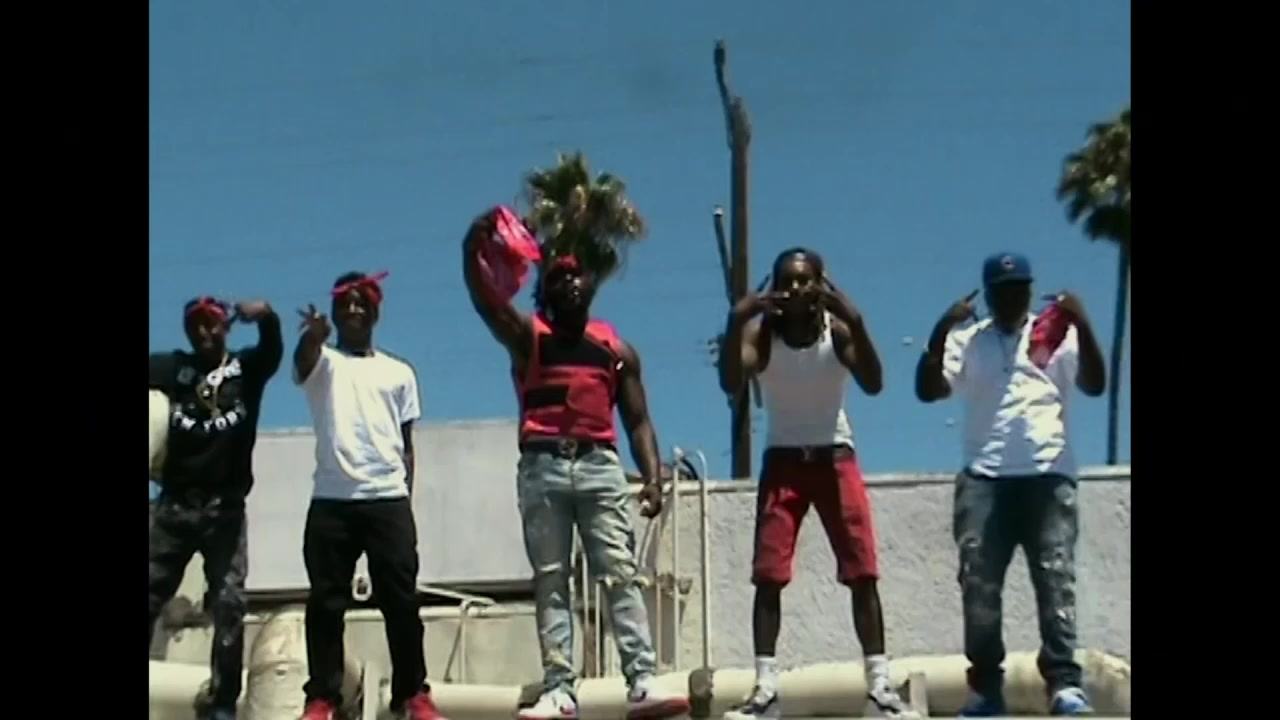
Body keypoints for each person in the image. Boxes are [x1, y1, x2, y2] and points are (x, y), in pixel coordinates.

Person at [462, 209, 691, 720]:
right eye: (557, 275)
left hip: (599, 466)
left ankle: (642, 680)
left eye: (576, 274)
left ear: (591, 285)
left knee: (620, 572)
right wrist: (471, 247)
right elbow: (486, 301)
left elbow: (638, 421)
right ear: (543, 289)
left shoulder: (615, 350)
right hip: (542, 465)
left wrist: (653, 478)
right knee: (552, 579)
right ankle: (559, 689)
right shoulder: (528, 336)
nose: (568, 281)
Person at [717, 248, 911, 720]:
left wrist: (857, 321)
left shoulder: (837, 332)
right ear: (774, 289)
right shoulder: (764, 336)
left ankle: (880, 688)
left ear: (822, 286)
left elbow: (874, 383)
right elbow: (731, 381)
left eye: (805, 280)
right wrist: (736, 320)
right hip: (783, 462)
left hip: (834, 456)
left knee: (862, 571)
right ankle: (765, 691)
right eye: (787, 280)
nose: (796, 288)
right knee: (769, 576)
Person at [913, 252, 1105, 717]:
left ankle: (1064, 684)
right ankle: (985, 690)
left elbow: (1096, 384)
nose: (1010, 298)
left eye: (1018, 289)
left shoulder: (1056, 333)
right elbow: (928, 390)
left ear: (1030, 290)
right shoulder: (968, 340)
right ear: (988, 294)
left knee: (1056, 581)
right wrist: (941, 329)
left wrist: (1083, 321)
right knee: (979, 588)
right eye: (1001, 291)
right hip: (984, 479)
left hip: (1048, 475)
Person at [293, 272, 444, 720]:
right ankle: (322, 697)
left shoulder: (399, 372)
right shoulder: (323, 363)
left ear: (376, 312)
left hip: (387, 499)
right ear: (335, 314)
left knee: (402, 601)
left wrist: (404, 500)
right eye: (345, 304)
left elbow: (406, 444)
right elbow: (303, 360)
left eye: (362, 303)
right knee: (326, 603)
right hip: (331, 500)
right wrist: (313, 337)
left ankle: (411, 694)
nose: (354, 310)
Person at [148, 297, 283, 720]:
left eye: (211, 324)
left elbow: (273, 350)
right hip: (174, 506)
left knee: (228, 603)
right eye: (196, 326)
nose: (204, 332)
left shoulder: (246, 369)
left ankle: (222, 702)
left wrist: (266, 316)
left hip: (224, 509)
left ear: (225, 326)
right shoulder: (173, 368)